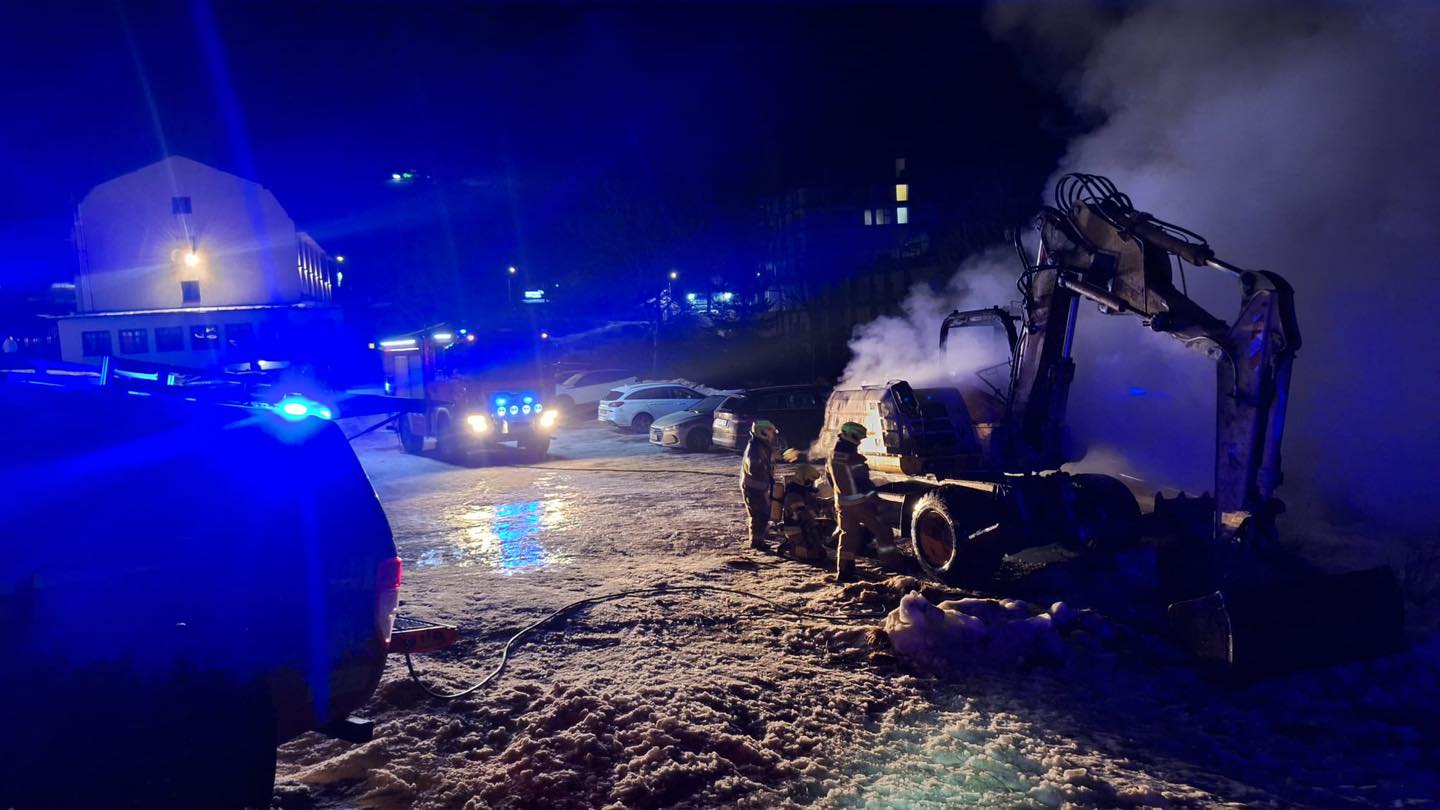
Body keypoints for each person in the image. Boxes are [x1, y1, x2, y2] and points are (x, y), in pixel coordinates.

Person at [826, 421, 903, 582]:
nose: (859, 441)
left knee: (848, 535)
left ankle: (844, 571)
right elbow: (862, 482)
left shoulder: (833, 454)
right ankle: (892, 564)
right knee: (882, 530)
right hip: (860, 503)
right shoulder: (852, 457)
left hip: (843, 503)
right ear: (850, 435)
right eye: (858, 438)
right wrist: (875, 499)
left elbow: (830, 478)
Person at [776, 463, 830, 562]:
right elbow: (801, 513)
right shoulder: (793, 493)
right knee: (815, 555)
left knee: (821, 553)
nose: (811, 484)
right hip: (796, 528)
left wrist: (829, 501)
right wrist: (817, 522)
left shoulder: (802, 490)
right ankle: (789, 548)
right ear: (802, 478)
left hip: (805, 526)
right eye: (810, 481)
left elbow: (813, 501)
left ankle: (802, 544)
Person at [739, 419, 778, 551]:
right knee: (758, 514)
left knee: (763, 513)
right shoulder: (755, 447)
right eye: (770, 432)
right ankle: (756, 542)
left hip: (759, 486)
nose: (772, 435)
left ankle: (760, 537)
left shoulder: (761, 445)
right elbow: (753, 467)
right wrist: (765, 469)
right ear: (762, 432)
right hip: (753, 487)